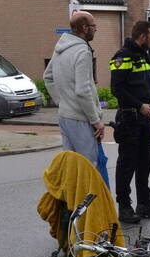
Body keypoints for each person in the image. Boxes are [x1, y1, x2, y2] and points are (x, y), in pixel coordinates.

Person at [110, 20, 150, 224]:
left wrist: (148, 104)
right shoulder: (122, 57)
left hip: (144, 119)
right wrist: (139, 105)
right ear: (142, 36)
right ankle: (124, 207)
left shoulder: (143, 56)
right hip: (130, 118)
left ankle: (144, 204)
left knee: (144, 164)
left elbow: (143, 85)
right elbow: (117, 89)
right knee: (126, 165)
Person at [43, 11, 104, 168]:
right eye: (93, 25)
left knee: (71, 166)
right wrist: (96, 121)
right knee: (88, 166)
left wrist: (62, 102)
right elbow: (83, 91)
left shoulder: (60, 48)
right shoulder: (82, 52)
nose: (95, 29)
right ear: (84, 28)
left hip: (65, 116)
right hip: (81, 119)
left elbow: (48, 77)